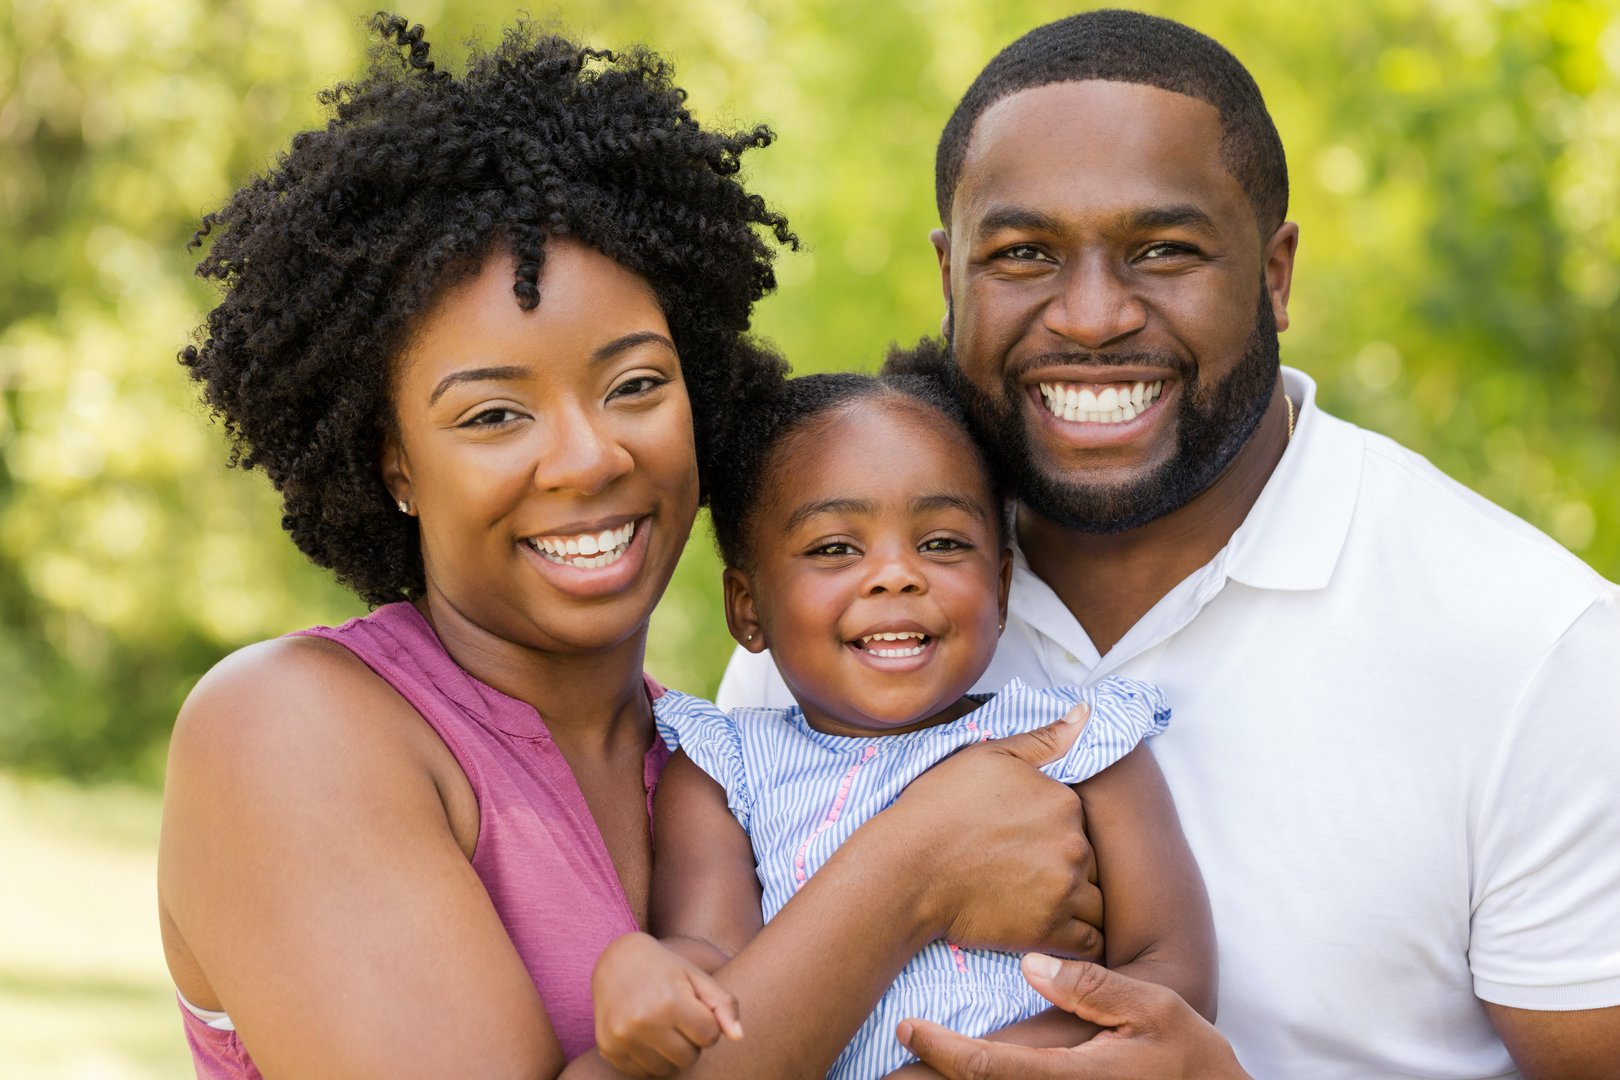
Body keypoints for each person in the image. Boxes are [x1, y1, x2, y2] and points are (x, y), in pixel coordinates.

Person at [159, 15, 1110, 1079]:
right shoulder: (290, 727)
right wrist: (913, 868)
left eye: (636, 385)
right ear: (394, 467)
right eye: (492, 417)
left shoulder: (729, 759)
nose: (587, 457)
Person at [718, 10, 1620, 1079]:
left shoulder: (1534, 647)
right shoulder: (853, 617)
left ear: (1276, 273)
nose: (1093, 316)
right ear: (950, 275)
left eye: (1163, 250)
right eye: (1022, 254)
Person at [590, 372, 1214, 1079]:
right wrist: (638, 968)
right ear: (747, 608)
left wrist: (972, 1066)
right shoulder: (725, 773)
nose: (895, 576)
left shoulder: (1080, 744)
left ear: (1000, 589)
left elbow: (1173, 976)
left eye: (943, 543)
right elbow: (716, 968)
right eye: (834, 548)